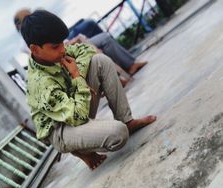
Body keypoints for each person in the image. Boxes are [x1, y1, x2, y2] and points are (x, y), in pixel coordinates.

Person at [21, 10, 157, 170]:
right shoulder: (40, 84)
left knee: (100, 61)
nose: (63, 50)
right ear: (35, 49)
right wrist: (77, 77)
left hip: (76, 107)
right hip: (61, 129)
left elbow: (87, 50)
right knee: (118, 134)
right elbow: (78, 117)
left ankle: (127, 121)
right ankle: (79, 149)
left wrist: (78, 75)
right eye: (56, 46)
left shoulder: (55, 53)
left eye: (63, 43)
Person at [14, 9, 148, 81]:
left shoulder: (39, 29)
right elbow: (48, 53)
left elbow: (57, 44)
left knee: (100, 39)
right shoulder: (27, 42)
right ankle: (119, 75)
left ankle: (126, 68)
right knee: (97, 47)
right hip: (68, 52)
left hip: (69, 45)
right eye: (28, 17)